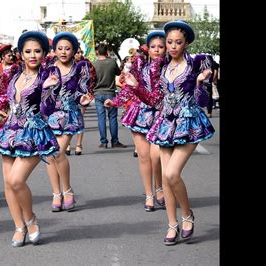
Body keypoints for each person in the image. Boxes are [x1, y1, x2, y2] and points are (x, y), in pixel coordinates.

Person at [0, 31, 60, 247]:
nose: (33, 55)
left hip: (34, 133)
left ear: (44, 53)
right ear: (21, 54)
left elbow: (48, 109)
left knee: (17, 180)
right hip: (10, 133)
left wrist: (48, 91)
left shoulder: (49, 76)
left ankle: (30, 219)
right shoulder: (14, 75)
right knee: (8, 183)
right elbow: (1, 102)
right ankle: (19, 226)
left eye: (37, 51)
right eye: (28, 51)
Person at [125, 20, 215, 245]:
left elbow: (203, 100)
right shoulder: (163, 68)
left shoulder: (195, 65)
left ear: (186, 44)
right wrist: (135, 86)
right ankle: (171, 224)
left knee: (172, 174)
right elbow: (155, 100)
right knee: (165, 177)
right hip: (164, 124)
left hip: (189, 123)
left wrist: (200, 83)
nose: (173, 46)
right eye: (169, 42)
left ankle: (187, 214)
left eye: (178, 42)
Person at [104, 31, 166, 212]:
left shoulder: (168, 67)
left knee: (157, 158)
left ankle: (160, 188)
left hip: (160, 114)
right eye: (153, 46)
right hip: (140, 113)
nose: (156, 50)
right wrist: (114, 102)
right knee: (144, 157)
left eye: (160, 47)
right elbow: (129, 89)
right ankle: (149, 194)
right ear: (148, 48)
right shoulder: (140, 66)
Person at [43, 32, 92, 212]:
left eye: (67, 48)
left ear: (74, 51)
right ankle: (56, 193)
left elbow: (81, 90)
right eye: (60, 48)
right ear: (54, 50)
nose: (63, 52)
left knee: (58, 152)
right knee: (49, 155)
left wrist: (83, 100)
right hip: (48, 115)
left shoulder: (80, 68)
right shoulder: (46, 68)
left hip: (69, 115)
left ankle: (67, 190)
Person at [93, 43, 127, 149]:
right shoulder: (112, 62)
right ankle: (115, 141)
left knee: (101, 118)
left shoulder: (93, 64)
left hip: (98, 93)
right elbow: (118, 73)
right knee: (112, 118)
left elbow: (91, 79)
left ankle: (103, 141)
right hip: (111, 92)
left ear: (97, 52)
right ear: (107, 51)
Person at [65, 46, 96, 156]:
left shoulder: (87, 64)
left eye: (80, 52)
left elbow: (93, 78)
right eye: (76, 52)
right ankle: (67, 144)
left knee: (79, 119)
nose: (78, 54)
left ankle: (78, 145)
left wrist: (89, 92)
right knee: (68, 119)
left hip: (82, 95)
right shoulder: (67, 64)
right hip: (68, 96)